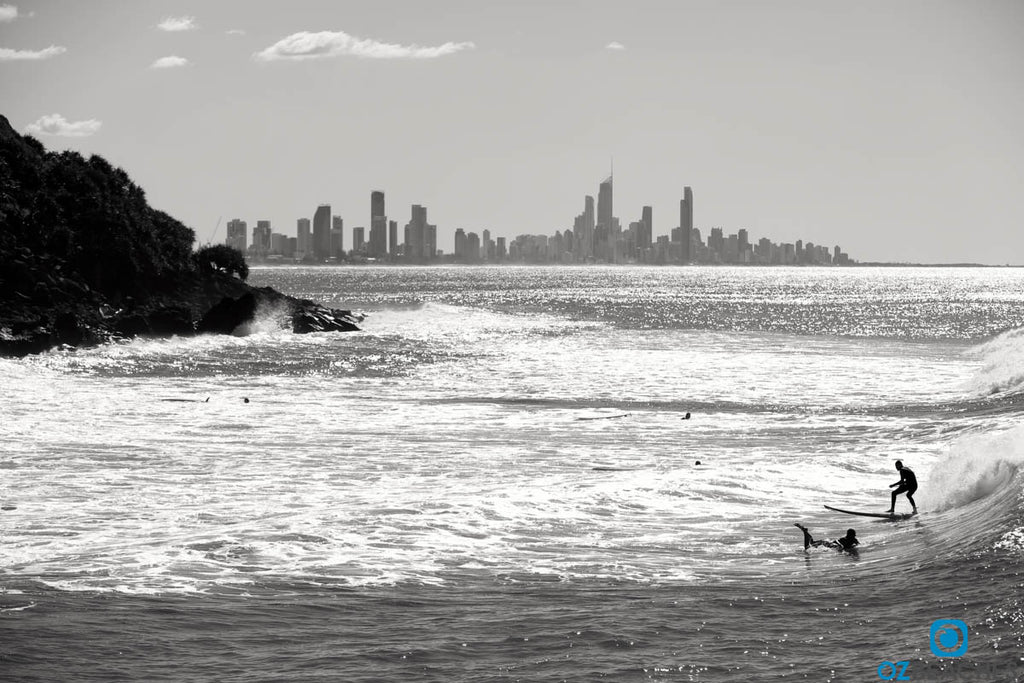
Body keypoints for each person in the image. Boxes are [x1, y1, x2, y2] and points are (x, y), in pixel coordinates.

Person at [794, 523, 859, 553]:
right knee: (807, 548)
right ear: (852, 535)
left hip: (828, 542)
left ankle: (805, 531)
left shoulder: (844, 538)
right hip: (833, 545)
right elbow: (856, 545)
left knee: (811, 543)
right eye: (854, 535)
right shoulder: (853, 540)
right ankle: (805, 532)